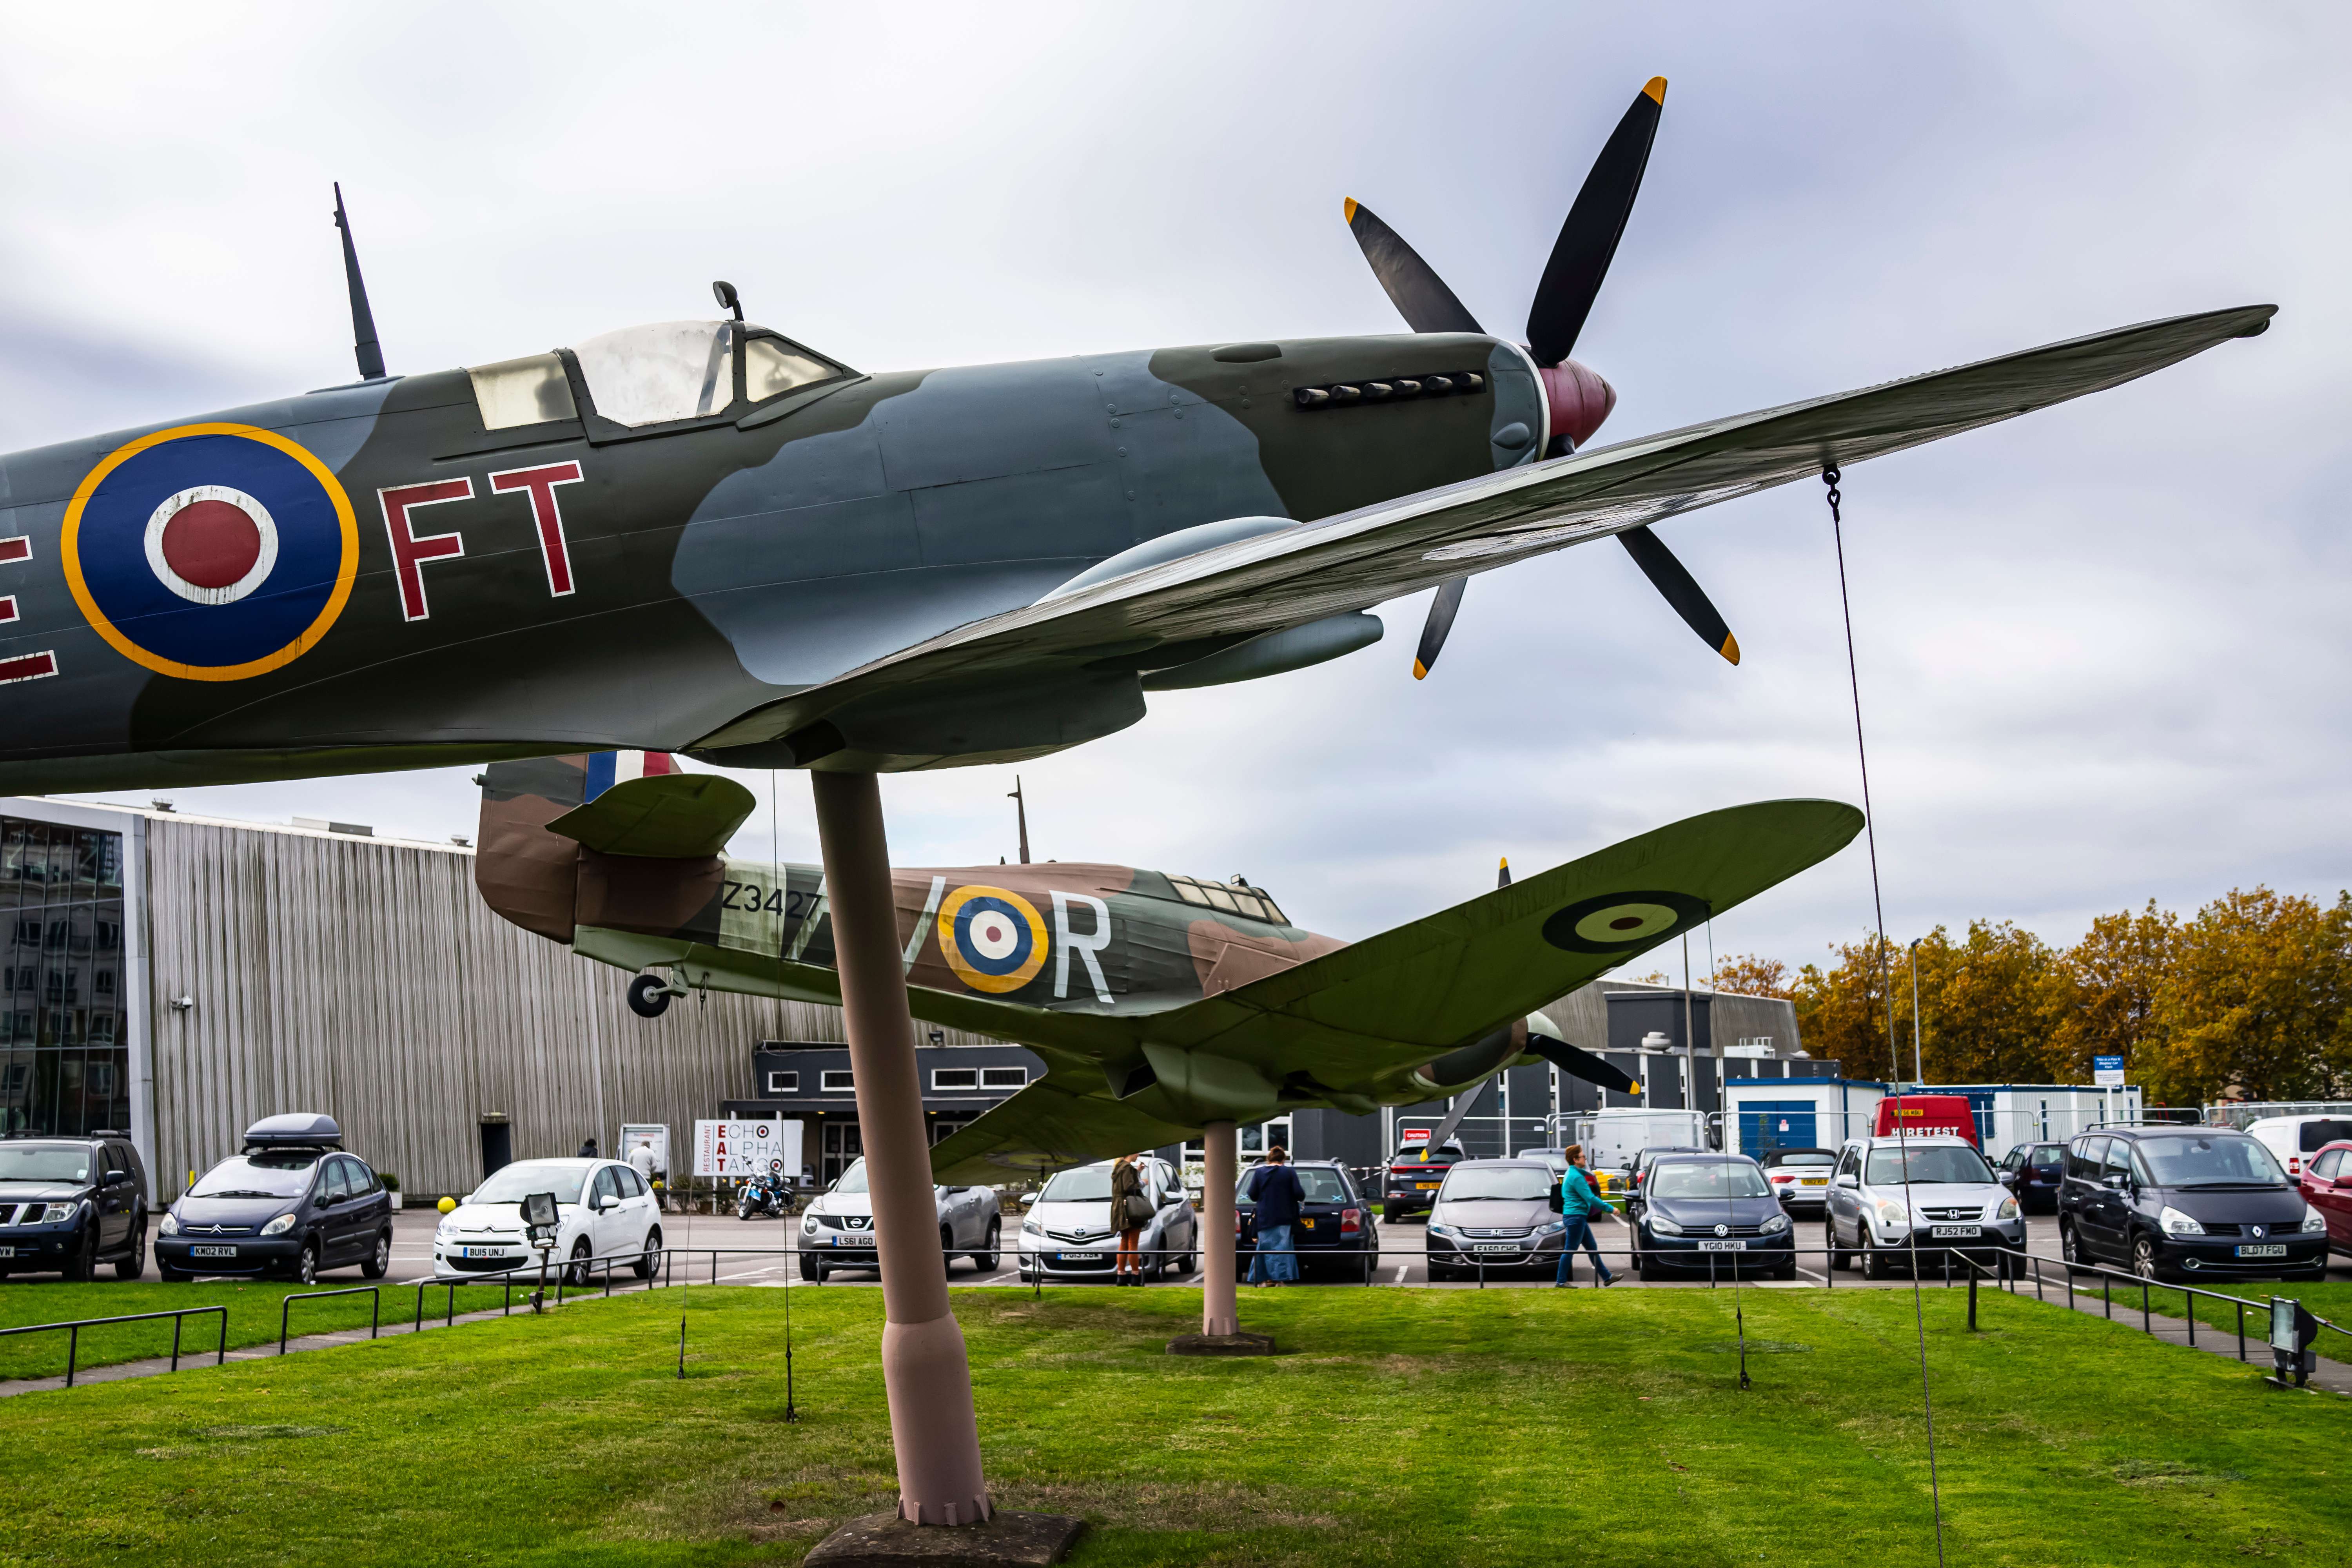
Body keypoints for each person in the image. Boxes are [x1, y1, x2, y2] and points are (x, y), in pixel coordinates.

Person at [1554, 1144, 1615, 1286]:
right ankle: (1561, 1281)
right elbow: (1591, 1198)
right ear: (1576, 1159)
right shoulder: (1576, 1177)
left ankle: (1607, 1277)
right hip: (1576, 1217)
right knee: (1570, 1250)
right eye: (1583, 1156)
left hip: (1577, 1217)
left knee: (1592, 1247)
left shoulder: (1572, 1173)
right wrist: (1611, 1209)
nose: (1585, 1159)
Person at [1246, 1145, 1305, 1287]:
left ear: (1269, 1159)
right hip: (1284, 1217)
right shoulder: (1289, 1172)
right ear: (1283, 1160)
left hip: (1265, 1217)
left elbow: (1252, 1195)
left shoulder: (1259, 1173)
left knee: (1264, 1248)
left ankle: (1264, 1278)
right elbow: (1300, 1194)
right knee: (1281, 1249)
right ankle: (1278, 1278)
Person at [1110, 1153, 1148, 1286]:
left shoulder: (1119, 1167)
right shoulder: (1128, 1168)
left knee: (1124, 1242)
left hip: (1119, 1209)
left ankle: (1121, 1277)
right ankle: (1135, 1277)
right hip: (1130, 1209)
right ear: (1132, 1153)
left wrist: (1137, 1172)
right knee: (1133, 1243)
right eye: (1138, 1152)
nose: (1139, 1155)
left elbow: (1124, 1184)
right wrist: (1143, 1183)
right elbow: (1129, 1187)